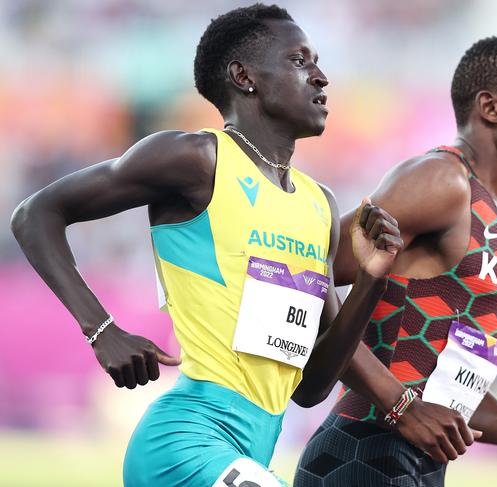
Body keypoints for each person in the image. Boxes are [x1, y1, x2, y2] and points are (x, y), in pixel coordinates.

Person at [10, 4, 404, 487]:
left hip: (253, 449)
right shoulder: (197, 159)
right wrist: (101, 329)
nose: (322, 77)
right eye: (300, 61)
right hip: (184, 441)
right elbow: (35, 215)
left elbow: (311, 387)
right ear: (244, 77)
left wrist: (369, 279)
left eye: (317, 62)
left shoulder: (319, 205)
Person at [295, 36, 497, 487]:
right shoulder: (442, 181)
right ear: (490, 107)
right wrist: (398, 403)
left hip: (417, 465)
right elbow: (302, 270)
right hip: (363, 452)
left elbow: (446, 393)